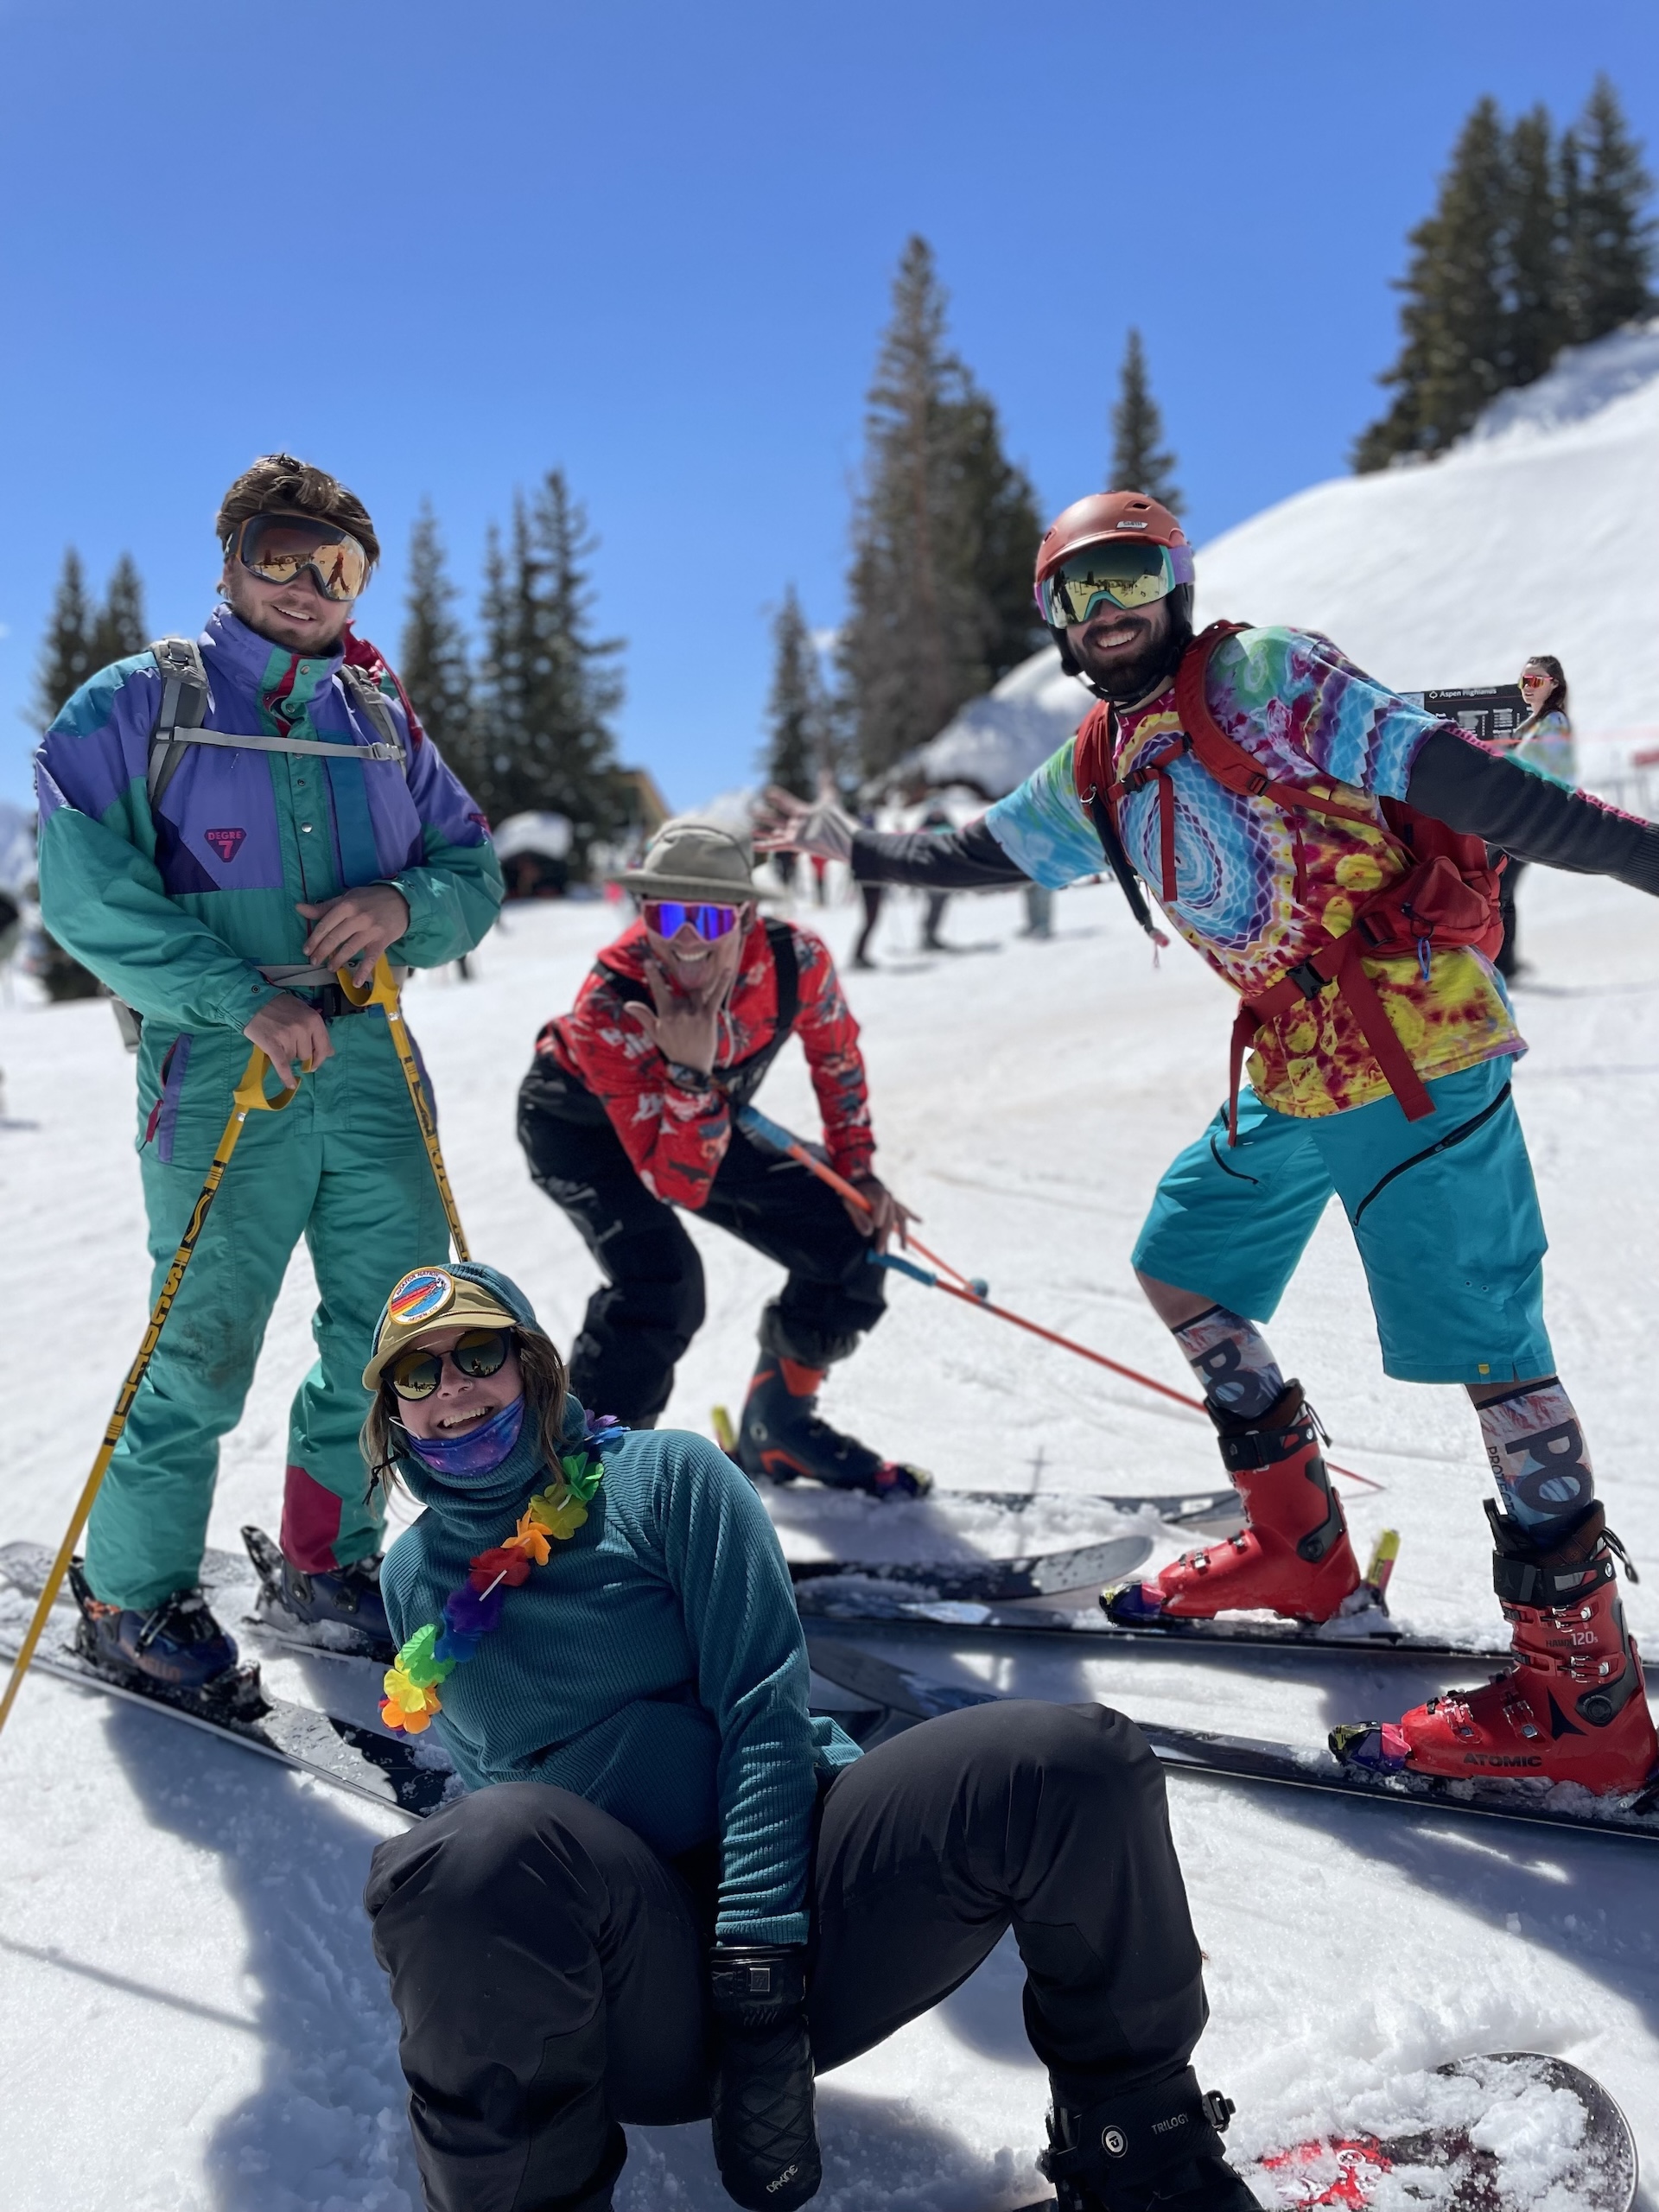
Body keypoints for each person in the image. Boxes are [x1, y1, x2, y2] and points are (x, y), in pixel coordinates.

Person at [761, 491, 1659, 1796]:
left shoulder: (1266, 676)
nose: (1107, 610)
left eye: (1129, 577)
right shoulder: (1099, 762)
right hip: (1290, 1062)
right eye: (1077, 591)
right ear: (1055, 621)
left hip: (1415, 1043)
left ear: (1175, 582)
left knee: (1491, 1350)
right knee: (1184, 1262)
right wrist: (855, 846)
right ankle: (1300, 1549)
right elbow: (983, 848)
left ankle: (1582, 1692)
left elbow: (1471, 785)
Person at [360, 1258, 1259, 2212]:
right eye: (417, 1374)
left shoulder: (666, 1480)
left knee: (1073, 1764)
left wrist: (757, 1967)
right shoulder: (414, 1578)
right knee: (476, 1851)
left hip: (812, 1909)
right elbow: (498, 1792)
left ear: (533, 1363)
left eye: (480, 1352)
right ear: (393, 1413)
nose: (451, 1386)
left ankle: (1148, 2156)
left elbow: (761, 1703)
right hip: (634, 1988)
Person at [35, 453, 503, 1708]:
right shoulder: (140, 704)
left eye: (341, 565)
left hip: (371, 1063)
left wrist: (405, 902)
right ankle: (130, 1598)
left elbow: (474, 867)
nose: (312, 584)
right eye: (285, 553)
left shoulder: (382, 721)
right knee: (201, 1341)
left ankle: (326, 1563)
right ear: (234, 559)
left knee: (392, 1329)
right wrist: (236, 992)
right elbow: (85, 892)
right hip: (222, 1063)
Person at [517, 816, 925, 1496]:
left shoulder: (796, 962)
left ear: (746, 917)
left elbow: (838, 1060)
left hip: (696, 1112)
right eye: (663, 913)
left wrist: (856, 1167)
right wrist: (687, 1072)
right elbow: (672, 1177)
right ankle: (586, 1489)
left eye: (705, 917)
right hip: (579, 1129)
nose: (682, 939)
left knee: (847, 1232)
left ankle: (778, 1429)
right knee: (662, 1285)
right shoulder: (612, 1002)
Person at [1492, 656, 1575, 981]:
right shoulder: (1534, 721)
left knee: (1499, 888)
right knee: (1501, 889)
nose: (1528, 688)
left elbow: (1534, 768)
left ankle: (1502, 964)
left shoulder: (1553, 722)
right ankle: (1503, 962)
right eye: (1524, 681)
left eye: (1536, 681)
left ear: (1553, 683)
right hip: (1521, 819)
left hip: (1531, 820)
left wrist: (1499, 755)